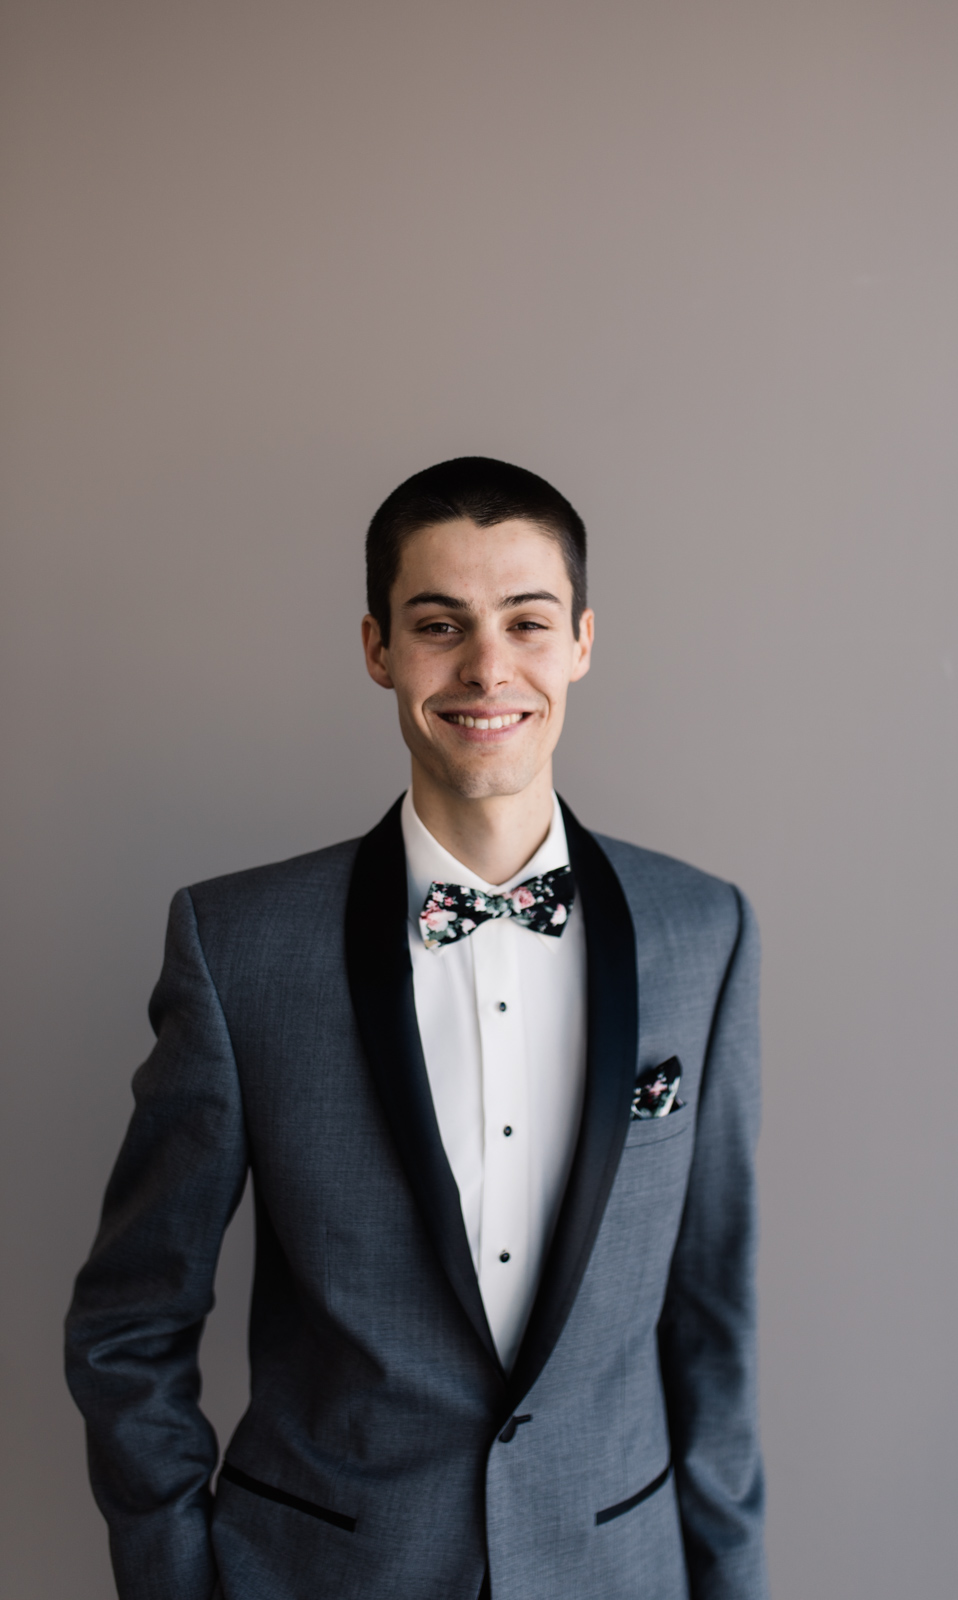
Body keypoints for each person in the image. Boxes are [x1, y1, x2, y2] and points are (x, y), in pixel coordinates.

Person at [65, 457, 768, 1600]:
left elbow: (713, 1335)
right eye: (440, 624)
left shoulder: (705, 932)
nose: (488, 667)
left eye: (527, 622)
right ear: (377, 649)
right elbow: (126, 1325)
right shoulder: (236, 946)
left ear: (582, 640)